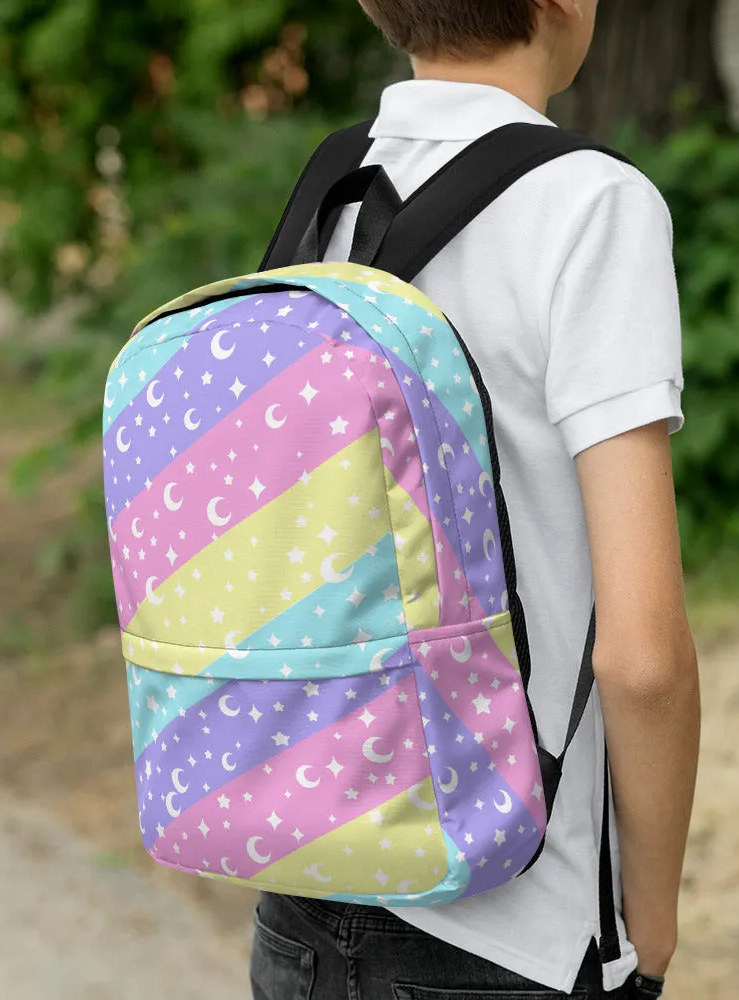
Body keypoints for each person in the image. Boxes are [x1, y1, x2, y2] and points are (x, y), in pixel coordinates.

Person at [250, 1, 701, 997]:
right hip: (511, 928)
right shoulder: (592, 203)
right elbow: (642, 659)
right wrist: (652, 921)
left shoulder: (332, 189)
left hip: (304, 893)